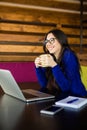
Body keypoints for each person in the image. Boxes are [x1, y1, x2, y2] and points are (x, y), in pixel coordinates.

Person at [34, 29, 87, 98]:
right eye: (46, 41)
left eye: (52, 40)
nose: (48, 44)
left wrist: (54, 65)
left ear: (61, 40)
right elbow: (44, 85)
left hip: (78, 98)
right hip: (62, 97)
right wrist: (37, 68)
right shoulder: (50, 57)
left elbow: (66, 88)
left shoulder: (69, 56)